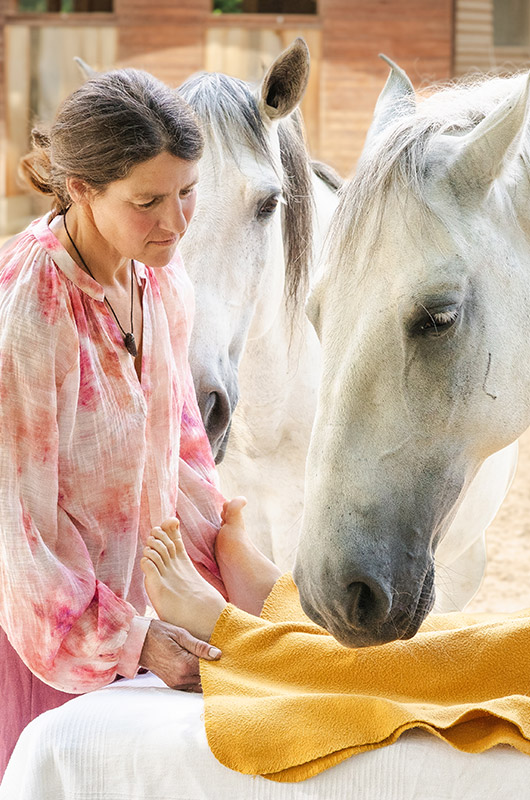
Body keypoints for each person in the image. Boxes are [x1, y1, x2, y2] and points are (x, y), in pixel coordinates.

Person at [0, 67, 234, 778]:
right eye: (147, 201)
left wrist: (231, 555)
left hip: (151, 619)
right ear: (79, 189)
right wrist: (132, 643)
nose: (174, 222)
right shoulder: (29, 312)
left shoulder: (156, 271)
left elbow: (182, 448)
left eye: (188, 192)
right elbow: (15, 530)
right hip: (57, 641)